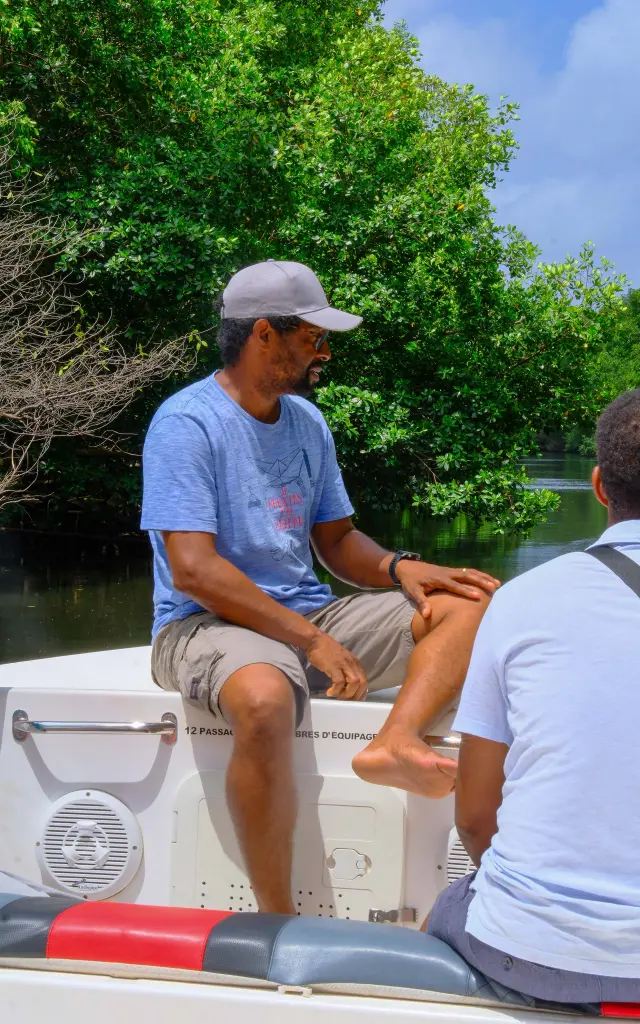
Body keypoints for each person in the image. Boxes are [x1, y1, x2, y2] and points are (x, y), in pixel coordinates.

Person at [141, 259, 498, 914]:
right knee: (264, 698)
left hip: (306, 618)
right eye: (313, 337)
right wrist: (310, 639)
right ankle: (279, 922)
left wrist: (398, 568)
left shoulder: (307, 426)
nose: (325, 352)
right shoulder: (186, 424)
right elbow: (193, 567)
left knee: (469, 604)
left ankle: (397, 741)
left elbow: (335, 543)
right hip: (203, 625)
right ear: (263, 336)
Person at [426, 388, 640, 1004]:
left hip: (532, 952)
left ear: (599, 486)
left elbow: (473, 815)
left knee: (443, 914)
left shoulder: (523, 599)